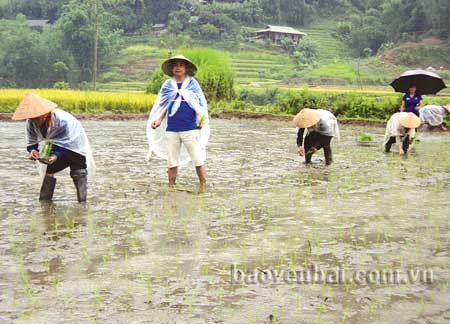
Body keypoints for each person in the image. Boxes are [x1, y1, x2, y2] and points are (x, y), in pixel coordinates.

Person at [12, 93, 95, 202]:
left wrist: (56, 155)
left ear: (44, 115)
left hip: (75, 144)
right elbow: (32, 141)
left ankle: (82, 203)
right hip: (55, 145)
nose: (33, 120)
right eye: (31, 118)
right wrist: (33, 151)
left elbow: (66, 141)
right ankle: (45, 203)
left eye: (36, 118)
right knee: (49, 171)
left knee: (79, 172)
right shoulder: (31, 123)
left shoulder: (62, 121)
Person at [147, 55, 210, 192]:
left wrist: (199, 119)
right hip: (172, 129)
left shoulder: (193, 84)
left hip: (190, 128)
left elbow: (198, 105)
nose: (178, 68)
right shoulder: (168, 85)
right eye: (175, 65)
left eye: (181, 65)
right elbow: (164, 105)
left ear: (186, 68)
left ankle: (203, 186)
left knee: (198, 160)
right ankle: (171, 188)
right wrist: (158, 120)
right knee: (172, 161)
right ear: (171, 69)